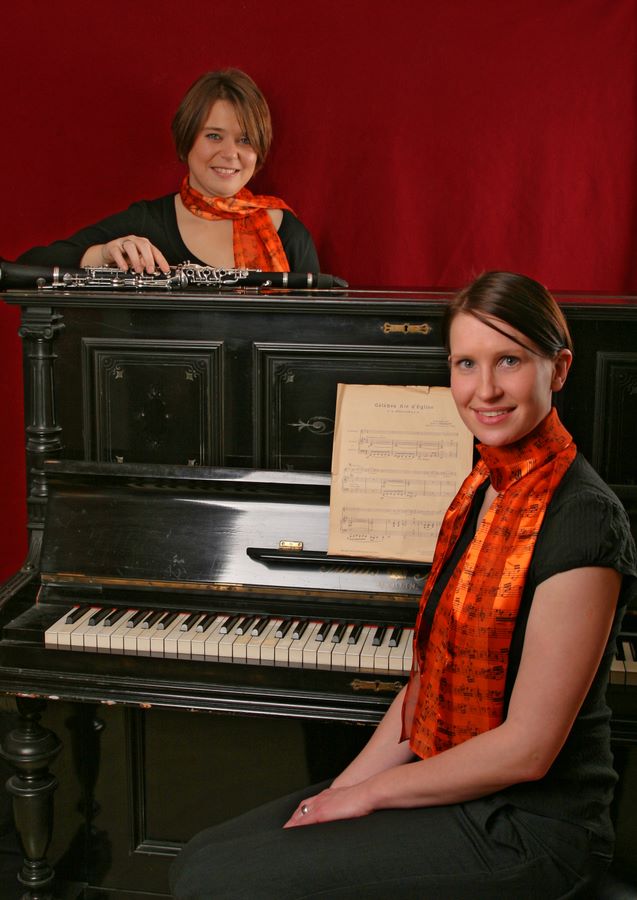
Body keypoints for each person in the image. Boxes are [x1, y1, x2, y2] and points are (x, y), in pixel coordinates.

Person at [169, 271, 636, 900]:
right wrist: (342, 790)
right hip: (451, 778)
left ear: (559, 369)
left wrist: (369, 797)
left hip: (530, 826)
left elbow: (527, 751)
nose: (485, 389)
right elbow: (429, 680)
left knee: (215, 883)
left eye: (510, 360)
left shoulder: (584, 516)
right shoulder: (483, 488)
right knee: (199, 857)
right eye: (466, 363)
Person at [17, 69, 319, 274]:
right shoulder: (145, 222)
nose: (230, 153)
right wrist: (104, 254)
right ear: (187, 140)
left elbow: (319, 339)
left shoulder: (287, 233)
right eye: (214, 136)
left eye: (245, 140)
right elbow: (23, 269)